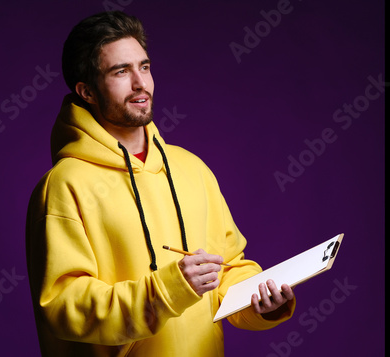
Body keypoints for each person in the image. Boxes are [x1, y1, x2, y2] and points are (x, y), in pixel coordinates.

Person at [26, 11, 296, 357]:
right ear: (87, 92)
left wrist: (260, 300)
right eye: (120, 72)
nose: (140, 84)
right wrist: (165, 291)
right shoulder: (63, 186)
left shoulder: (191, 168)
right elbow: (63, 306)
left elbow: (226, 268)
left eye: (144, 67)